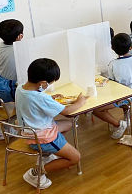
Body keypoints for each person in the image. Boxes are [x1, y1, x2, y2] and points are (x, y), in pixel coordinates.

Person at [16, 58, 86, 189]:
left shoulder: (21, 88)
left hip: (28, 131)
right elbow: (66, 111)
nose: (49, 86)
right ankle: (36, 173)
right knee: (75, 158)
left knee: (69, 124)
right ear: (42, 83)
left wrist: (50, 99)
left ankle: (47, 155)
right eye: (49, 84)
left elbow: (35, 100)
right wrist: (80, 102)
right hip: (43, 137)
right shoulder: (40, 97)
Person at [93, 33, 132, 139]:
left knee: (96, 110)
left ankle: (119, 125)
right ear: (131, 47)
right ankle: (128, 112)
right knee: (120, 91)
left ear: (112, 49)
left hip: (126, 96)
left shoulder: (113, 64)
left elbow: (112, 83)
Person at [0, 19, 23, 104]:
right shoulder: (18, 51)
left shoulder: (2, 45)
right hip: (7, 87)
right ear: (20, 36)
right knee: (12, 109)